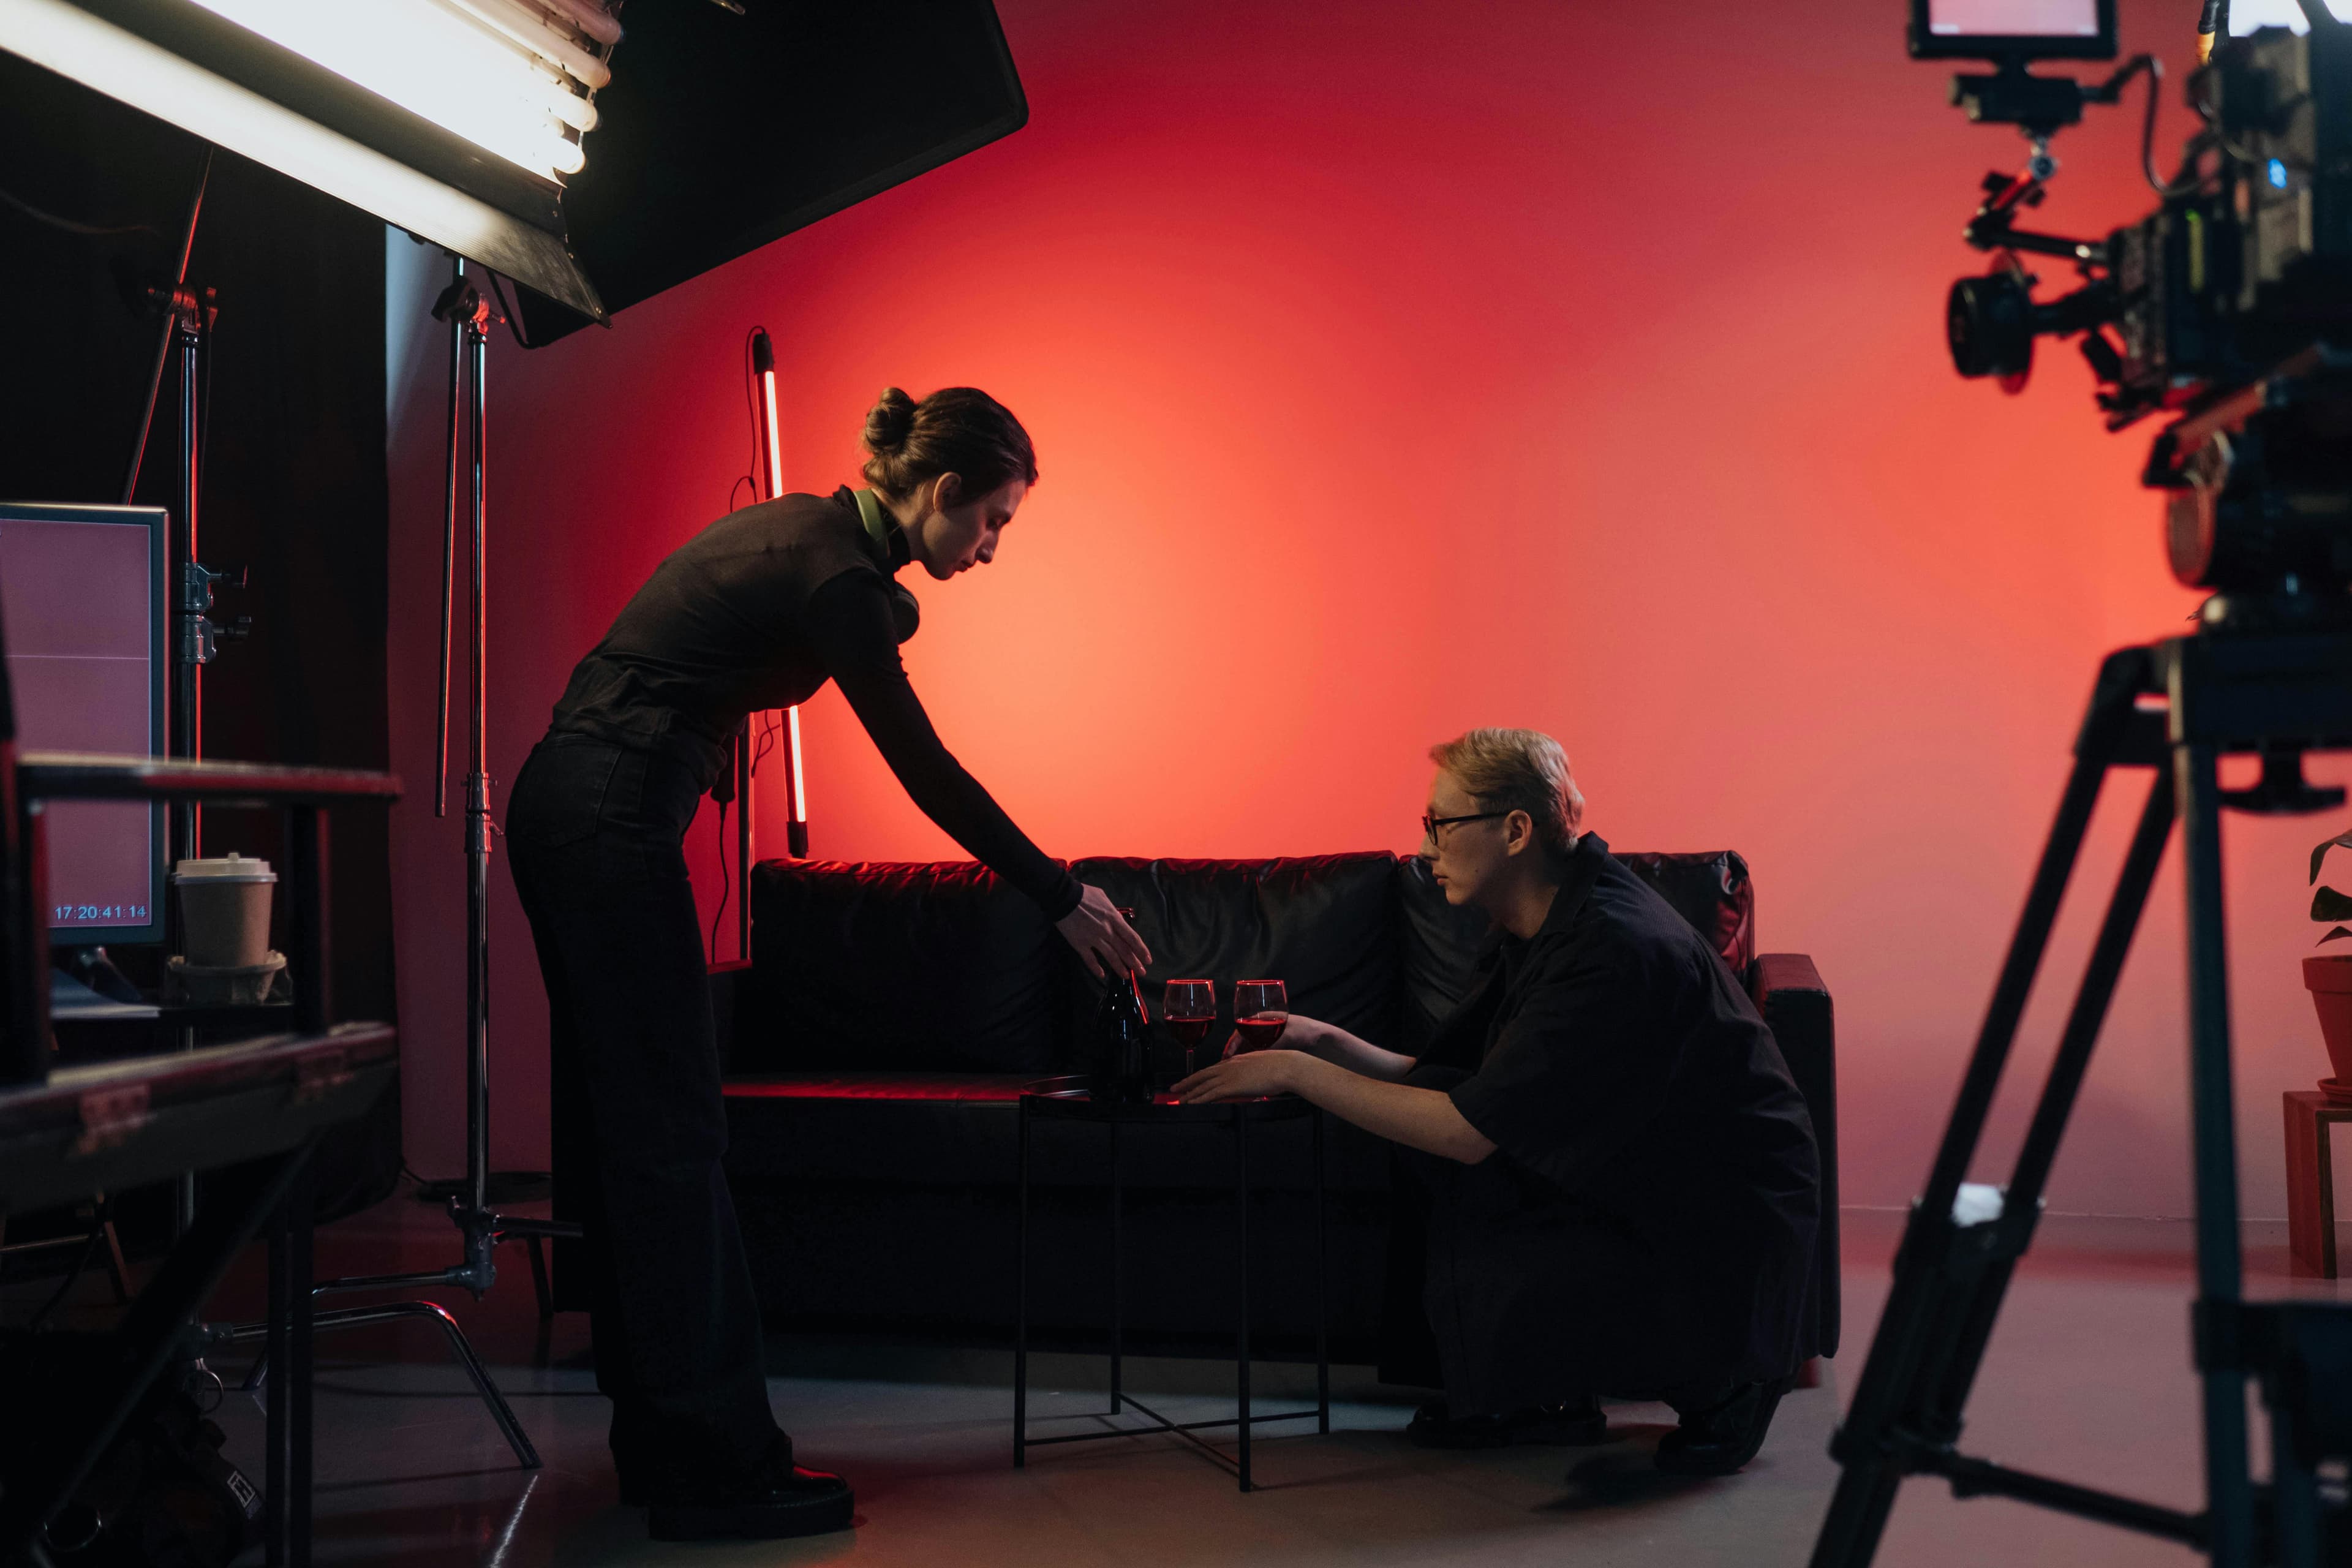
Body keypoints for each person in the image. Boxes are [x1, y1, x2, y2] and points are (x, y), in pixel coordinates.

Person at [506, 387, 1150, 1542]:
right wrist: (1061, 896)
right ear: (941, 491)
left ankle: (665, 1445)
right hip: (607, 812)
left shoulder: (812, 531)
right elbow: (927, 770)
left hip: (577, 802)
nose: (993, 550)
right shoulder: (838, 576)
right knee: (672, 1134)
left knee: (631, 1137)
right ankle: (715, 1464)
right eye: (994, 521)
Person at [1174, 728, 1819, 1474]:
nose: (1424, 851)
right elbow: (1469, 1080)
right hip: (1649, 1164)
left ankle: (1727, 1384)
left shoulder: (1608, 947)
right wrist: (1325, 1041)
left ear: (1515, 830)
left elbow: (1467, 1130)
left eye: (1440, 826)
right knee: (1422, 1127)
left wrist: (1295, 1075)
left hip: (1722, 1213)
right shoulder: (1543, 917)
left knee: (1448, 1149)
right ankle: (1541, 1394)